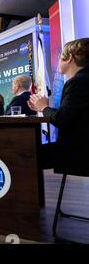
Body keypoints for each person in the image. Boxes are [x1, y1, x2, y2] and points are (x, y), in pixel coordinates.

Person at [28, 38, 89, 174]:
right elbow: (74, 115)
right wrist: (43, 108)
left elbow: (62, 120)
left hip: (79, 152)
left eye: (61, 56)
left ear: (70, 58)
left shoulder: (77, 83)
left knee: (25, 155)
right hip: (82, 147)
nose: (58, 62)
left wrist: (44, 108)